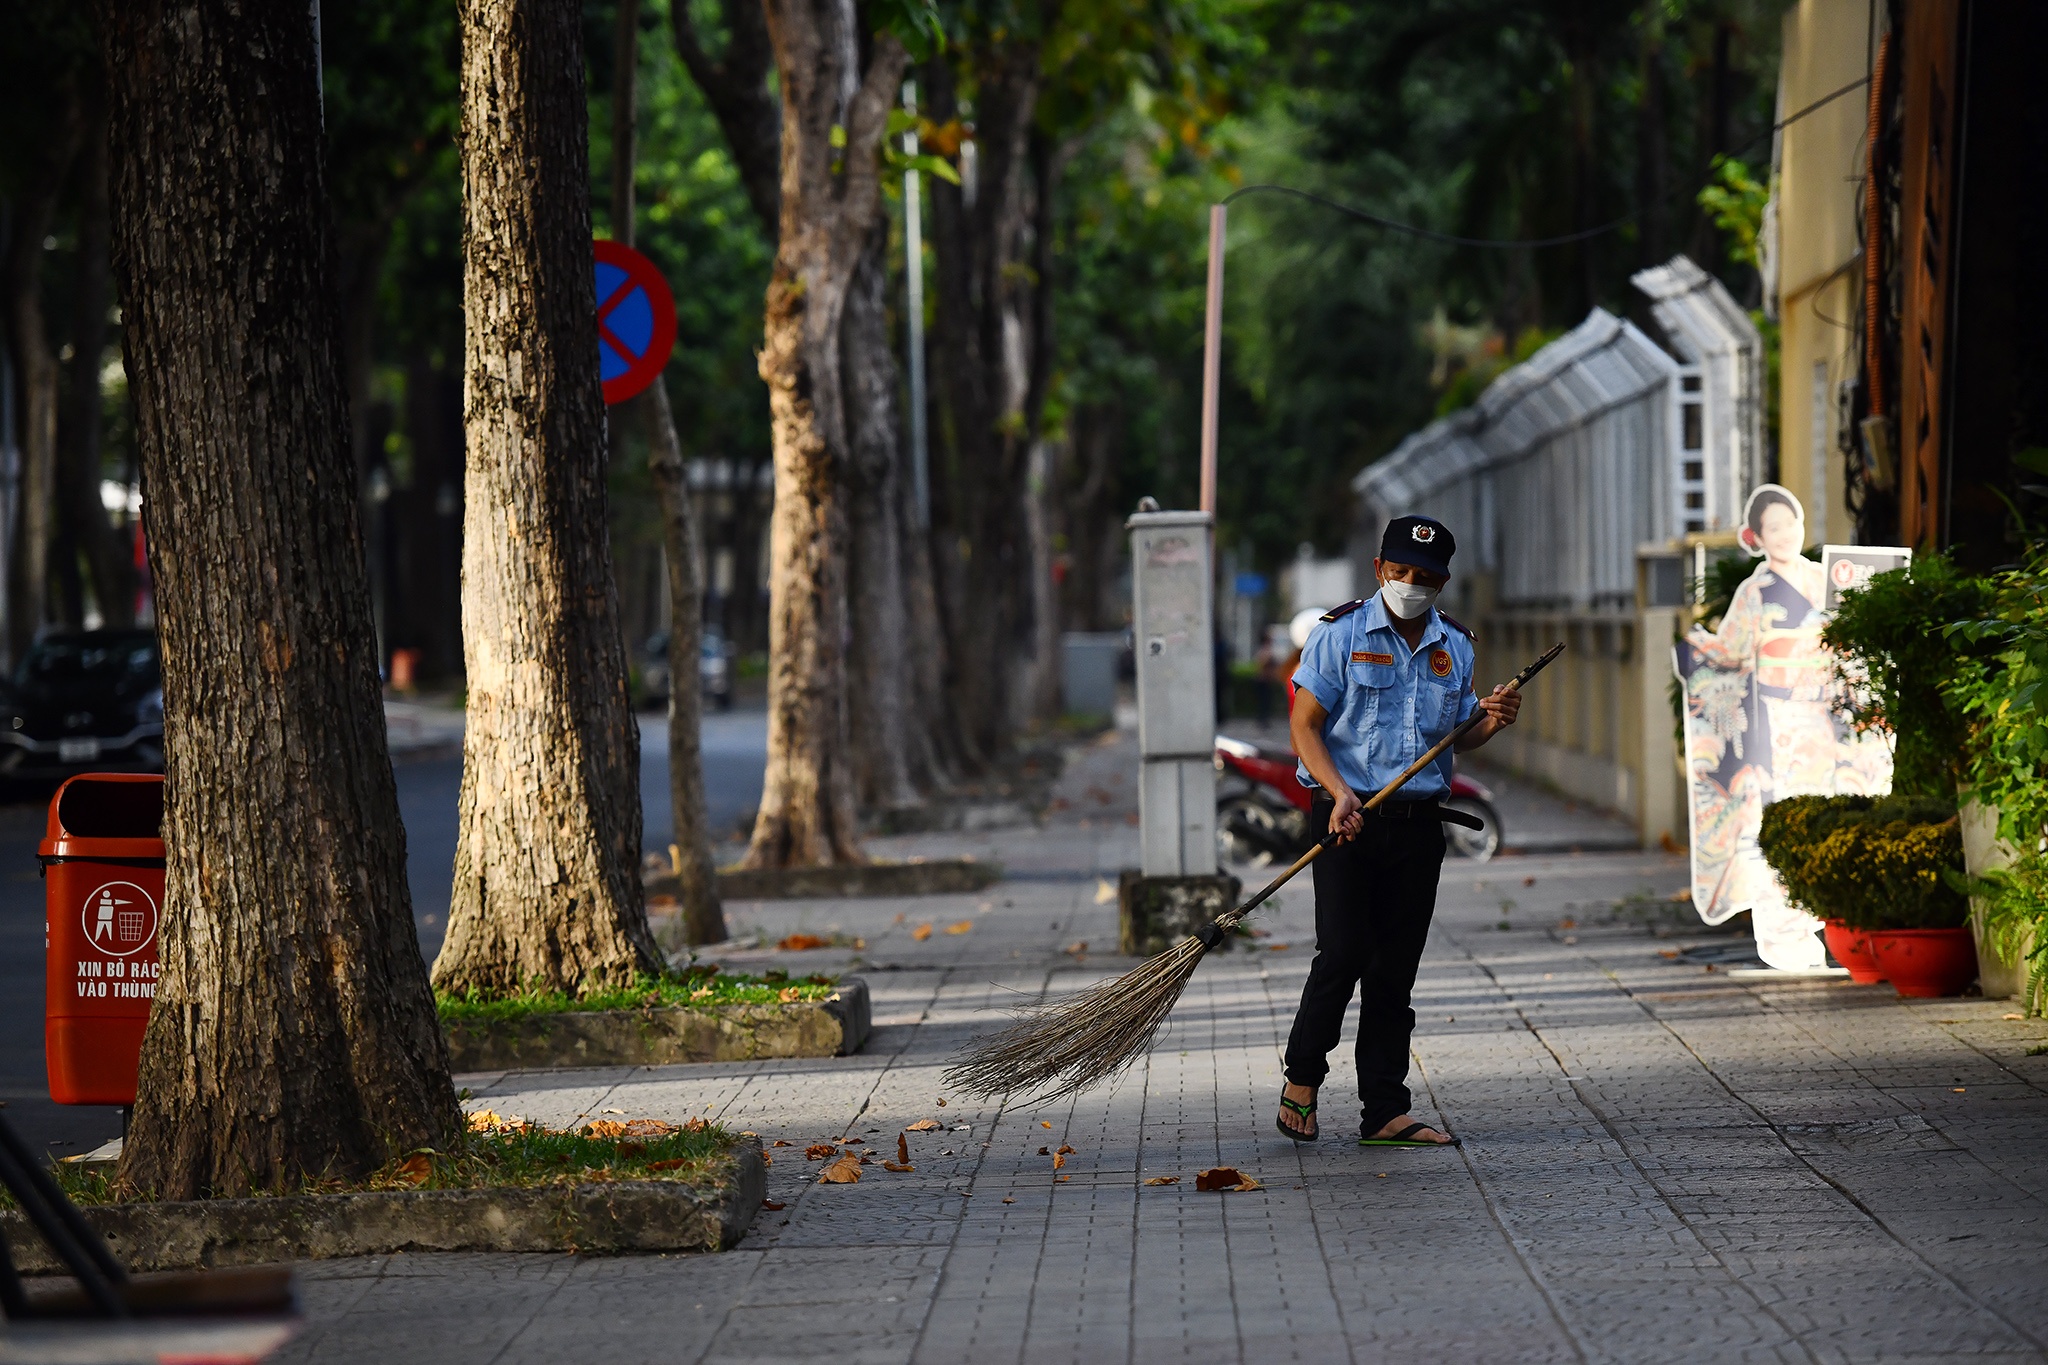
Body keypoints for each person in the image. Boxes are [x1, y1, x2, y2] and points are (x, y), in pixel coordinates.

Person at [1275, 515, 1520, 1146]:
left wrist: (1494, 719)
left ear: (1442, 581)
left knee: (1394, 972)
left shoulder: (1454, 647)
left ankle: (1385, 1110)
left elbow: (1458, 734)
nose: (1411, 584)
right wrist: (1337, 792)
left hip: (1417, 827)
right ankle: (1301, 1078)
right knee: (1345, 952)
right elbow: (1304, 725)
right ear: (1380, 570)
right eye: (1400, 572)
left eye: (1426, 577)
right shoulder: (1340, 635)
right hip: (1345, 819)